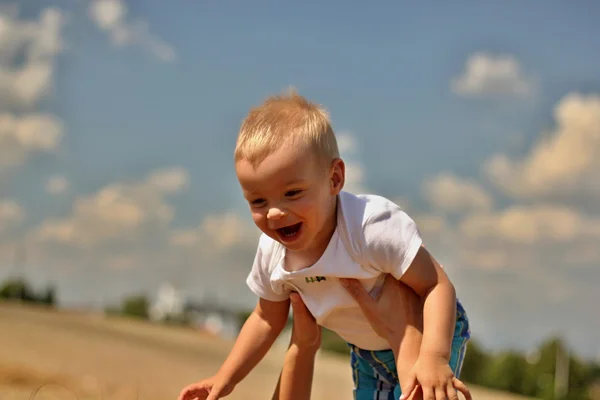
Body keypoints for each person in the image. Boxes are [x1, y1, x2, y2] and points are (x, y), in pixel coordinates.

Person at [178, 90, 471, 400]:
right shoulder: (272, 254)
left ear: (334, 179)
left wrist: (435, 357)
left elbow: (436, 285)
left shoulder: (367, 229)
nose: (275, 212)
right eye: (258, 201)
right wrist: (226, 378)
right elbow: (266, 318)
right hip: (367, 351)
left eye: (292, 193)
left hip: (429, 334)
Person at [272, 276, 472, 400]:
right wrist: (302, 346)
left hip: (423, 327)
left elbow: (436, 282)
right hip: (368, 344)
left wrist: (433, 355)